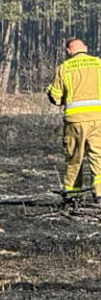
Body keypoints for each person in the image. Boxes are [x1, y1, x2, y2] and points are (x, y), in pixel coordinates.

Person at [48, 37, 101, 205]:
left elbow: (55, 97)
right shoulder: (98, 64)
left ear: (69, 51)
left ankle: (72, 195)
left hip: (74, 121)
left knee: (74, 158)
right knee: (98, 156)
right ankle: (99, 194)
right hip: (98, 119)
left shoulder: (64, 68)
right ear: (85, 47)